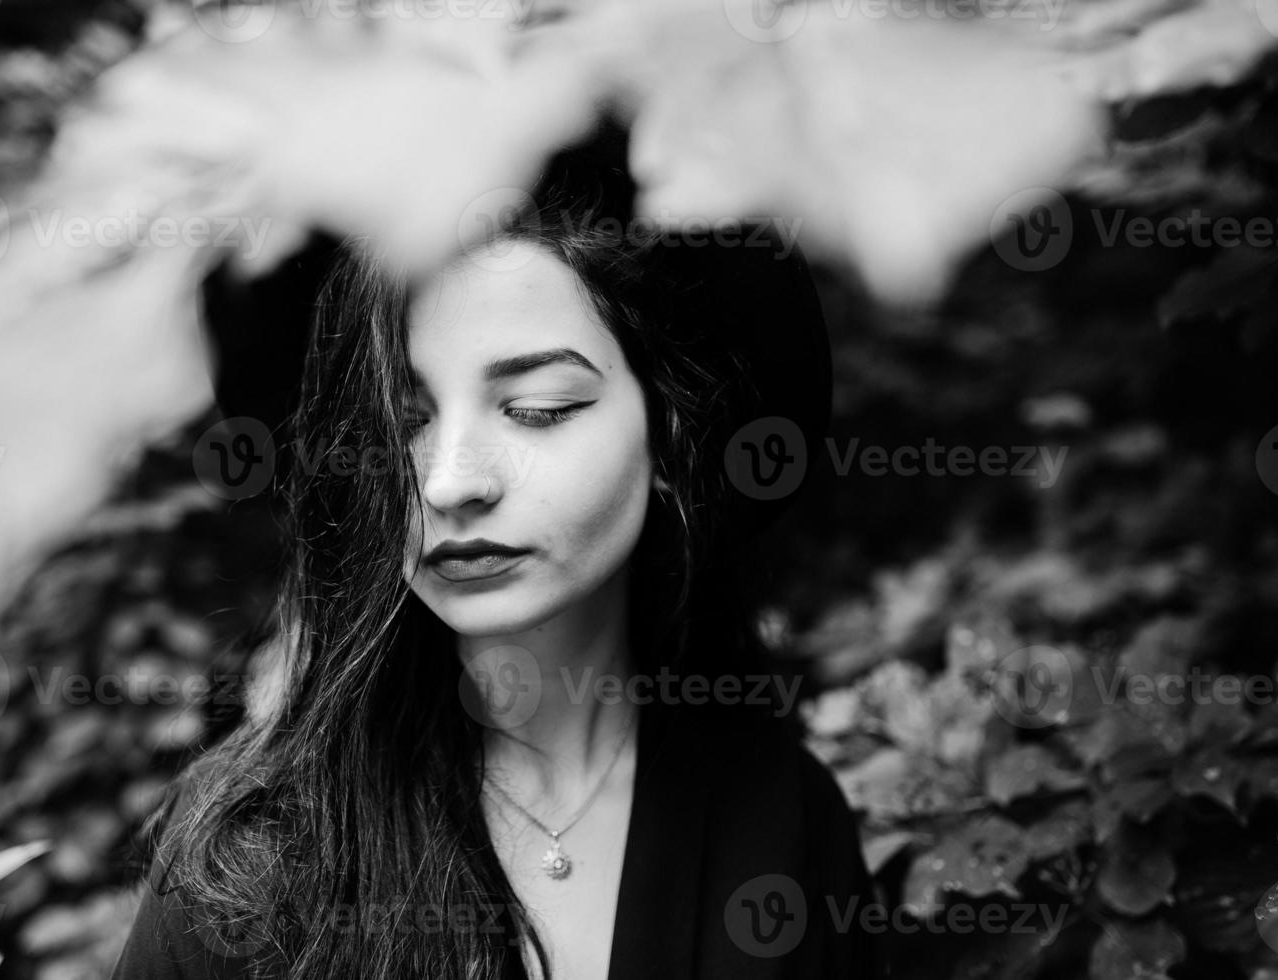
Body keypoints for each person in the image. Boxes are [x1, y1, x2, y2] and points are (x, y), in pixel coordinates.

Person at [109, 126, 885, 980]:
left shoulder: (780, 821)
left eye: (538, 408)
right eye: (401, 423)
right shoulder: (245, 864)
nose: (449, 483)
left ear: (670, 438)